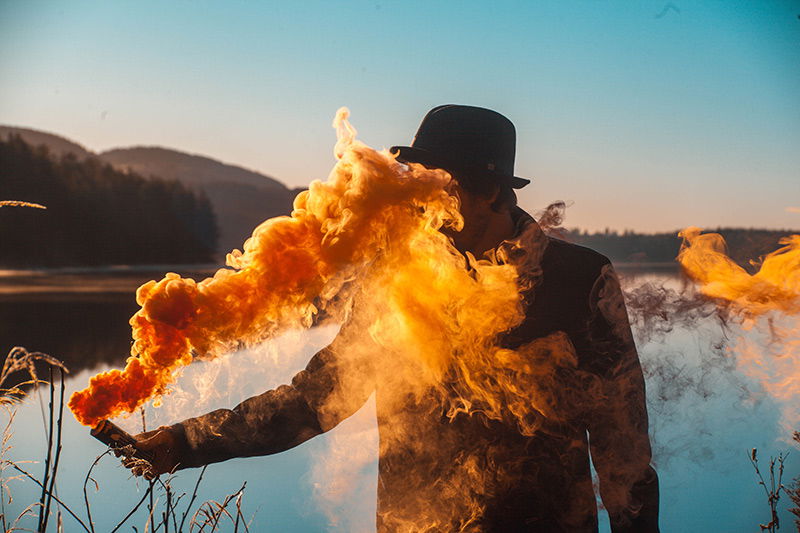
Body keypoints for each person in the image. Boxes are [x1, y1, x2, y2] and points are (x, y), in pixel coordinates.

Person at [124, 105, 659, 532]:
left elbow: (623, 440)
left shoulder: (577, 278)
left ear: (491, 191)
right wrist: (186, 443)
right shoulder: (394, 272)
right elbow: (318, 397)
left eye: (437, 188)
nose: (420, 205)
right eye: (414, 186)